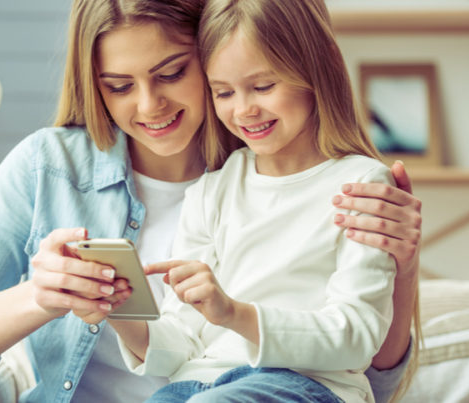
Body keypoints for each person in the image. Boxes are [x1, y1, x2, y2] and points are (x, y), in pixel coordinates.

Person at [0, 0, 420, 402]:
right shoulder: (52, 168)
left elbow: (364, 379)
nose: (149, 106)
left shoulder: (280, 163)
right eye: (118, 86)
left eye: (172, 73)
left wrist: (405, 266)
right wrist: (45, 297)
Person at [103, 0, 420, 402]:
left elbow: (356, 337)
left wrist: (235, 314)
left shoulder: (360, 183)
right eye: (223, 92)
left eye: (263, 86)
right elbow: (180, 342)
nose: (244, 109)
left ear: (312, 71)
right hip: (198, 384)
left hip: (306, 384)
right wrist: (118, 311)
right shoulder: (212, 191)